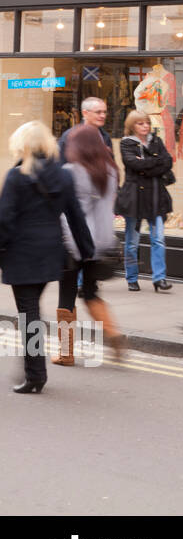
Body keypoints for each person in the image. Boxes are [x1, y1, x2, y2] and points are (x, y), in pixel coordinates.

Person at [0, 121, 94, 394]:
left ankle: (35, 375)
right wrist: (86, 251)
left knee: (29, 314)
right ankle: (33, 370)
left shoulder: (17, 175)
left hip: (22, 254)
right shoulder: (63, 176)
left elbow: (4, 220)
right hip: (51, 253)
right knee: (31, 312)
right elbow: (76, 216)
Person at [54, 124, 125, 365]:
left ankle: (66, 353)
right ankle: (113, 332)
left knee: (66, 296)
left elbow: (66, 212)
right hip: (101, 243)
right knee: (91, 291)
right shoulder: (110, 170)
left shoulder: (70, 171)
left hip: (73, 242)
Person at [116, 110, 174, 293]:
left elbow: (168, 162)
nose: (145, 126)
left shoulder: (156, 141)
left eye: (147, 123)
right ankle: (132, 278)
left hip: (156, 197)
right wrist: (155, 162)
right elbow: (133, 164)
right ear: (132, 125)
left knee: (159, 239)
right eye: (140, 123)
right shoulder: (126, 143)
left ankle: (160, 278)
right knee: (132, 242)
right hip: (134, 198)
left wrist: (146, 165)